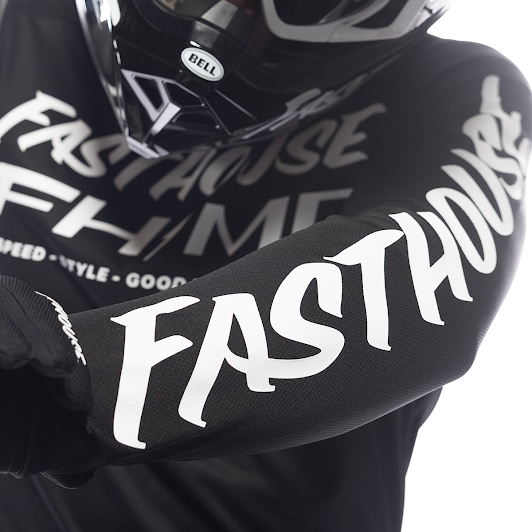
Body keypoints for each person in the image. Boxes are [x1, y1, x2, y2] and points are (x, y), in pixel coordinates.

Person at [0, 0, 530, 530]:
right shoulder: (16, 26)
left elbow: (421, 285)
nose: (221, 25)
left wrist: (65, 389)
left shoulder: (465, 88)